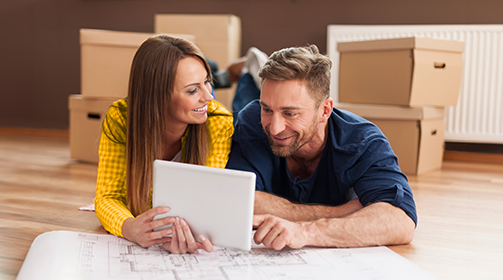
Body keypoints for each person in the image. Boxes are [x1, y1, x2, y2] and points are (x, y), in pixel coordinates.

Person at [225, 45, 417, 250]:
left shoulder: (362, 142)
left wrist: (307, 231)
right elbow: (236, 199)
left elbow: (400, 220)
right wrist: (342, 212)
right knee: (245, 93)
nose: (274, 128)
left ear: (325, 110)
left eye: (290, 113)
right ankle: (250, 67)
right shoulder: (252, 121)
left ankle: (250, 64)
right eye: (267, 109)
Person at [94, 35, 233, 254]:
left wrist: (191, 232)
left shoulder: (217, 123)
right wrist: (129, 227)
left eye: (207, 82)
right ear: (157, 97)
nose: (208, 97)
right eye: (192, 90)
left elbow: (204, 201)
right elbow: (108, 197)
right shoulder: (121, 118)